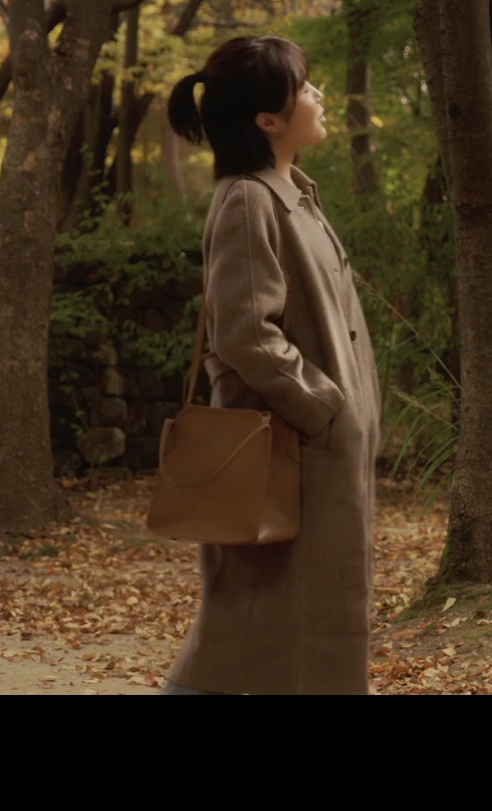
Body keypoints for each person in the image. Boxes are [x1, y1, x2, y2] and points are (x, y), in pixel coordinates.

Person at [160, 36, 380, 696]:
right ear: (267, 121)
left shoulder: (293, 193)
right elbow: (246, 335)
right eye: (304, 88)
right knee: (246, 634)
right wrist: (327, 409)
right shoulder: (248, 200)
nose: (318, 96)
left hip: (316, 458)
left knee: (290, 636)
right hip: (284, 456)